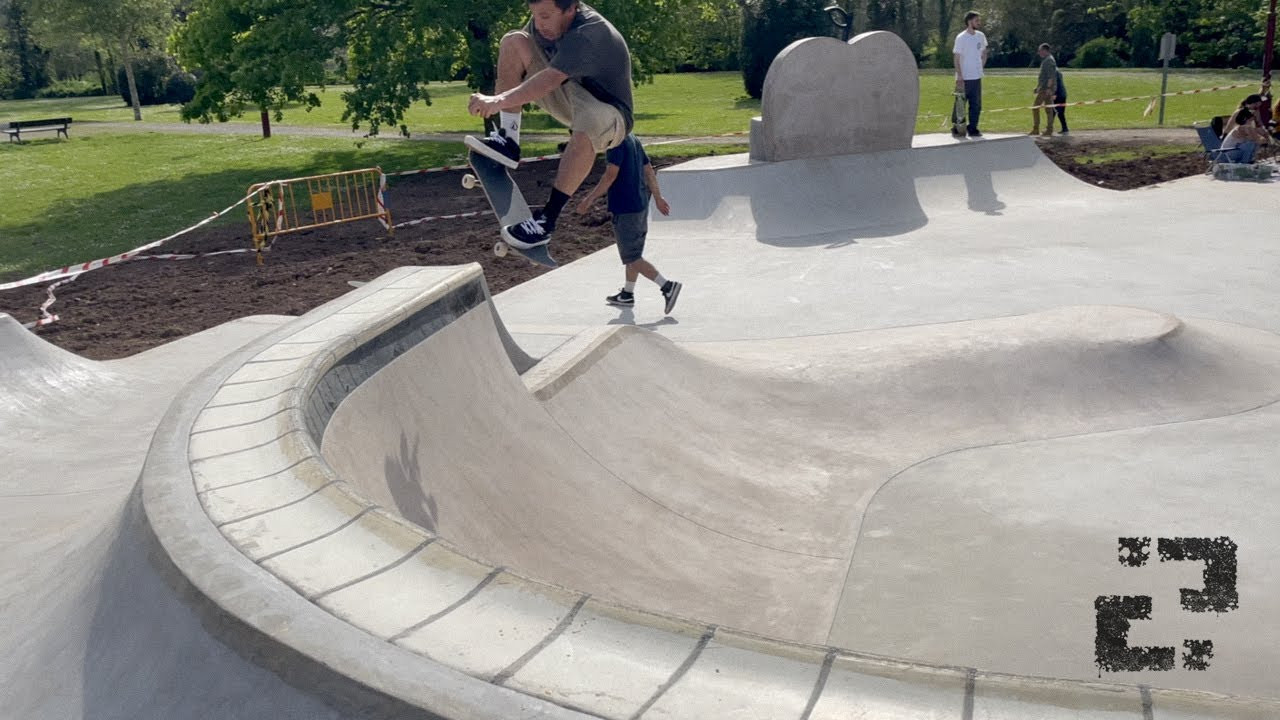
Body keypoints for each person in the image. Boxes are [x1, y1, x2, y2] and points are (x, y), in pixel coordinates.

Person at [466, 0, 633, 251]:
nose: (539, 24)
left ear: (571, 9)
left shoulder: (589, 31)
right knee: (514, 40)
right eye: (534, 15)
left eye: (545, 16)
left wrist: (498, 100)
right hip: (568, 97)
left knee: (590, 120)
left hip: (610, 112)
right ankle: (508, 139)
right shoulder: (540, 24)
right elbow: (529, 67)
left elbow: (549, 80)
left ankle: (546, 221)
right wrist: (503, 100)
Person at [576, 134, 682, 314]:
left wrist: (589, 200)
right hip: (640, 204)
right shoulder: (633, 139)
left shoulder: (615, 143)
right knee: (633, 253)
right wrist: (657, 197)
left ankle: (667, 286)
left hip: (626, 209)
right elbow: (648, 169)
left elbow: (610, 176)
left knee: (632, 257)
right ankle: (627, 293)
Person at [953, 11, 989, 138]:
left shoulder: (980, 36)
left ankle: (973, 128)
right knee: (960, 104)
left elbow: (984, 53)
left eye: (979, 21)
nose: (979, 23)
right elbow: (956, 58)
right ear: (969, 22)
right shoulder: (961, 37)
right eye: (976, 21)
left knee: (976, 104)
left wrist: (981, 66)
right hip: (964, 77)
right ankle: (957, 128)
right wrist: (960, 76)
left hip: (976, 77)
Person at [1221, 94, 1272, 158]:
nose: (1258, 107)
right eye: (1257, 105)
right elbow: (1235, 127)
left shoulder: (1254, 111)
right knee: (1253, 140)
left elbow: (1259, 124)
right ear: (1253, 103)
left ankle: (1265, 153)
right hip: (1233, 140)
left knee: (1261, 133)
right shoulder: (1240, 113)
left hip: (1243, 136)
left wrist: (1264, 132)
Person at [1031, 43, 1058, 136]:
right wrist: (1038, 87)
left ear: (1045, 50)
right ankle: (1049, 129)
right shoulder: (1047, 60)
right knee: (1048, 109)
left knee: (1035, 107)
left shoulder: (1049, 61)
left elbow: (1051, 77)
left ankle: (1036, 129)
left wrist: (1049, 88)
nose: (1039, 52)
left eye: (1040, 50)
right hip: (1044, 88)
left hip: (1045, 89)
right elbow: (1045, 77)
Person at [1054, 68, 1069, 133]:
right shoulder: (1057, 71)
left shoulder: (1053, 72)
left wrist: (1055, 94)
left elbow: (1056, 83)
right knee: (1057, 112)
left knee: (1057, 112)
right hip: (1062, 94)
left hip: (1059, 95)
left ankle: (1049, 129)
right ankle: (1065, 128)